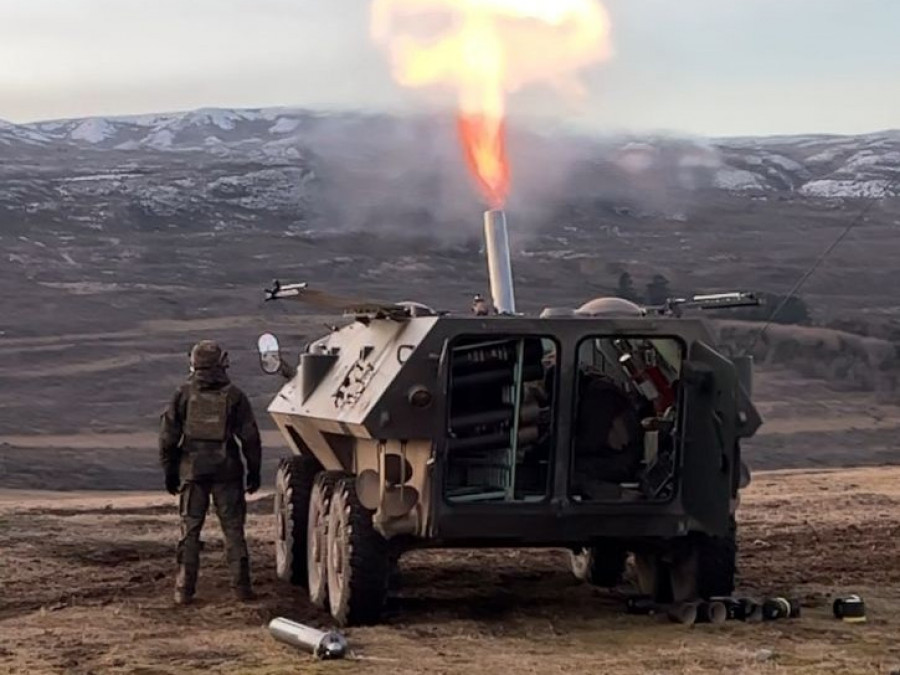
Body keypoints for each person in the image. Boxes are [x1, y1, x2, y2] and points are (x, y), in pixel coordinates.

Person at [159, 340, 262, 605]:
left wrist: (170, 472)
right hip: (227, 470)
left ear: (192, 362)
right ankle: (241, 589)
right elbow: (250, 437)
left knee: (190, 530)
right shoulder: (235, 396)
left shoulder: (182, 394)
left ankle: (184, 590)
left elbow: (168, 438)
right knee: (233, 530)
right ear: (222, 363)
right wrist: (254, 471)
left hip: (192, 472)